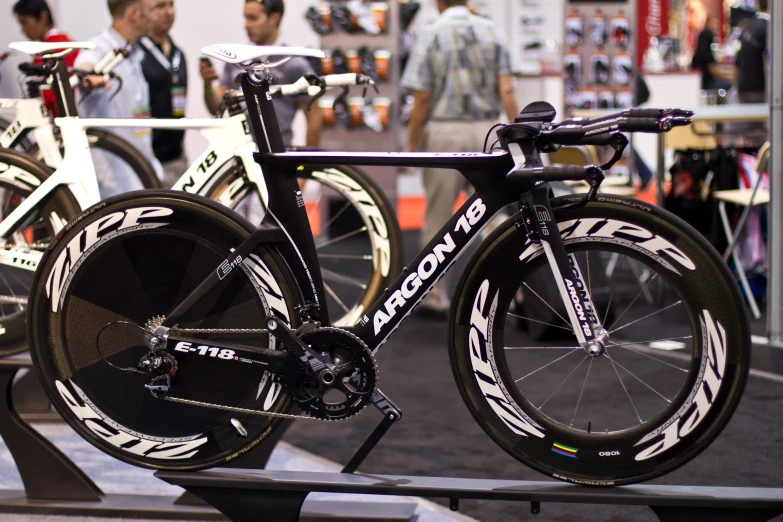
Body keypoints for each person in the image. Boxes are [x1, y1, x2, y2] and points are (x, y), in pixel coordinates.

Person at [401, 0, 519, 316]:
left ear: (439, 2)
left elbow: (422, 96)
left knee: (438, 216)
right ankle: (515, 289)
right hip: (487, 131)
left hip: (444, 132)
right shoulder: (492, 30)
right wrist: (519, 132)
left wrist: (412, 142)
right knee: (494, 215)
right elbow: (506, 90)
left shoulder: (431, 33)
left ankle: (435, 295)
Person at [199, 0, 321, 148]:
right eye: (245, 18)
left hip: (277, 152)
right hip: (240, 153)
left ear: (274, 18)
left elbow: (313, 117)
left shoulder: (293, 64)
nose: (246, 25)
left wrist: (308, 162)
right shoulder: (237, 60)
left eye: (253, 18)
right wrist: (207, 85)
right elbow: (216, 107)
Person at [75, 0, 161, 197]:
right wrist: (88, 77)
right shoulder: (101, 45)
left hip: (139, 170)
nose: (154, 17)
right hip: (113, 180)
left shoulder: (135, 51)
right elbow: (85, 66)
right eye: (150, 11)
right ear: (134, 14)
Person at [140, 0, 187, 187]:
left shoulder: (178, 54)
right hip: (149, 158)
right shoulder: (138, 55)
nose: (168, 12)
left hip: (177, 156)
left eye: (171, 5)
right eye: (160, 6)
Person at [13, 0, 78, 115]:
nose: (23, 30)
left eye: (25, 23)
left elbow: (51, 97)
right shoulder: (69, 44)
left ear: (43, 17)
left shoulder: (47, 51)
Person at [735, 0, 768, 103]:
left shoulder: (747, 26)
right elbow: (767, 62)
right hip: (760, 91)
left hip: (744, 88)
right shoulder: (769, 28)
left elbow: (737, 63)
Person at [691, 15, 733, 91]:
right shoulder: (707, 55)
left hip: (700, 84)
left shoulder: (697, 55)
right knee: (730, 83)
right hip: (708, 84)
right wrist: (730, 76)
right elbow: (715, 72)